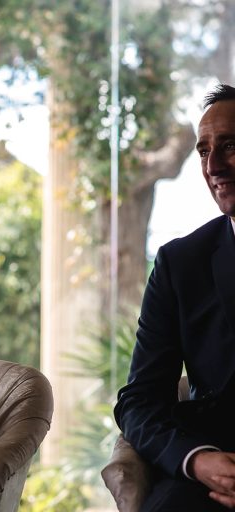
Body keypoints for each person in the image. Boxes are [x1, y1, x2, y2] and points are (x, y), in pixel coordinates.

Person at [115, 83, 235, 511]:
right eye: (204, 151)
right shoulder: (181, 263)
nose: (214, 166)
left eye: (230, 146)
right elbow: (139, 401)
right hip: (215, 471)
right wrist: (198, 460)